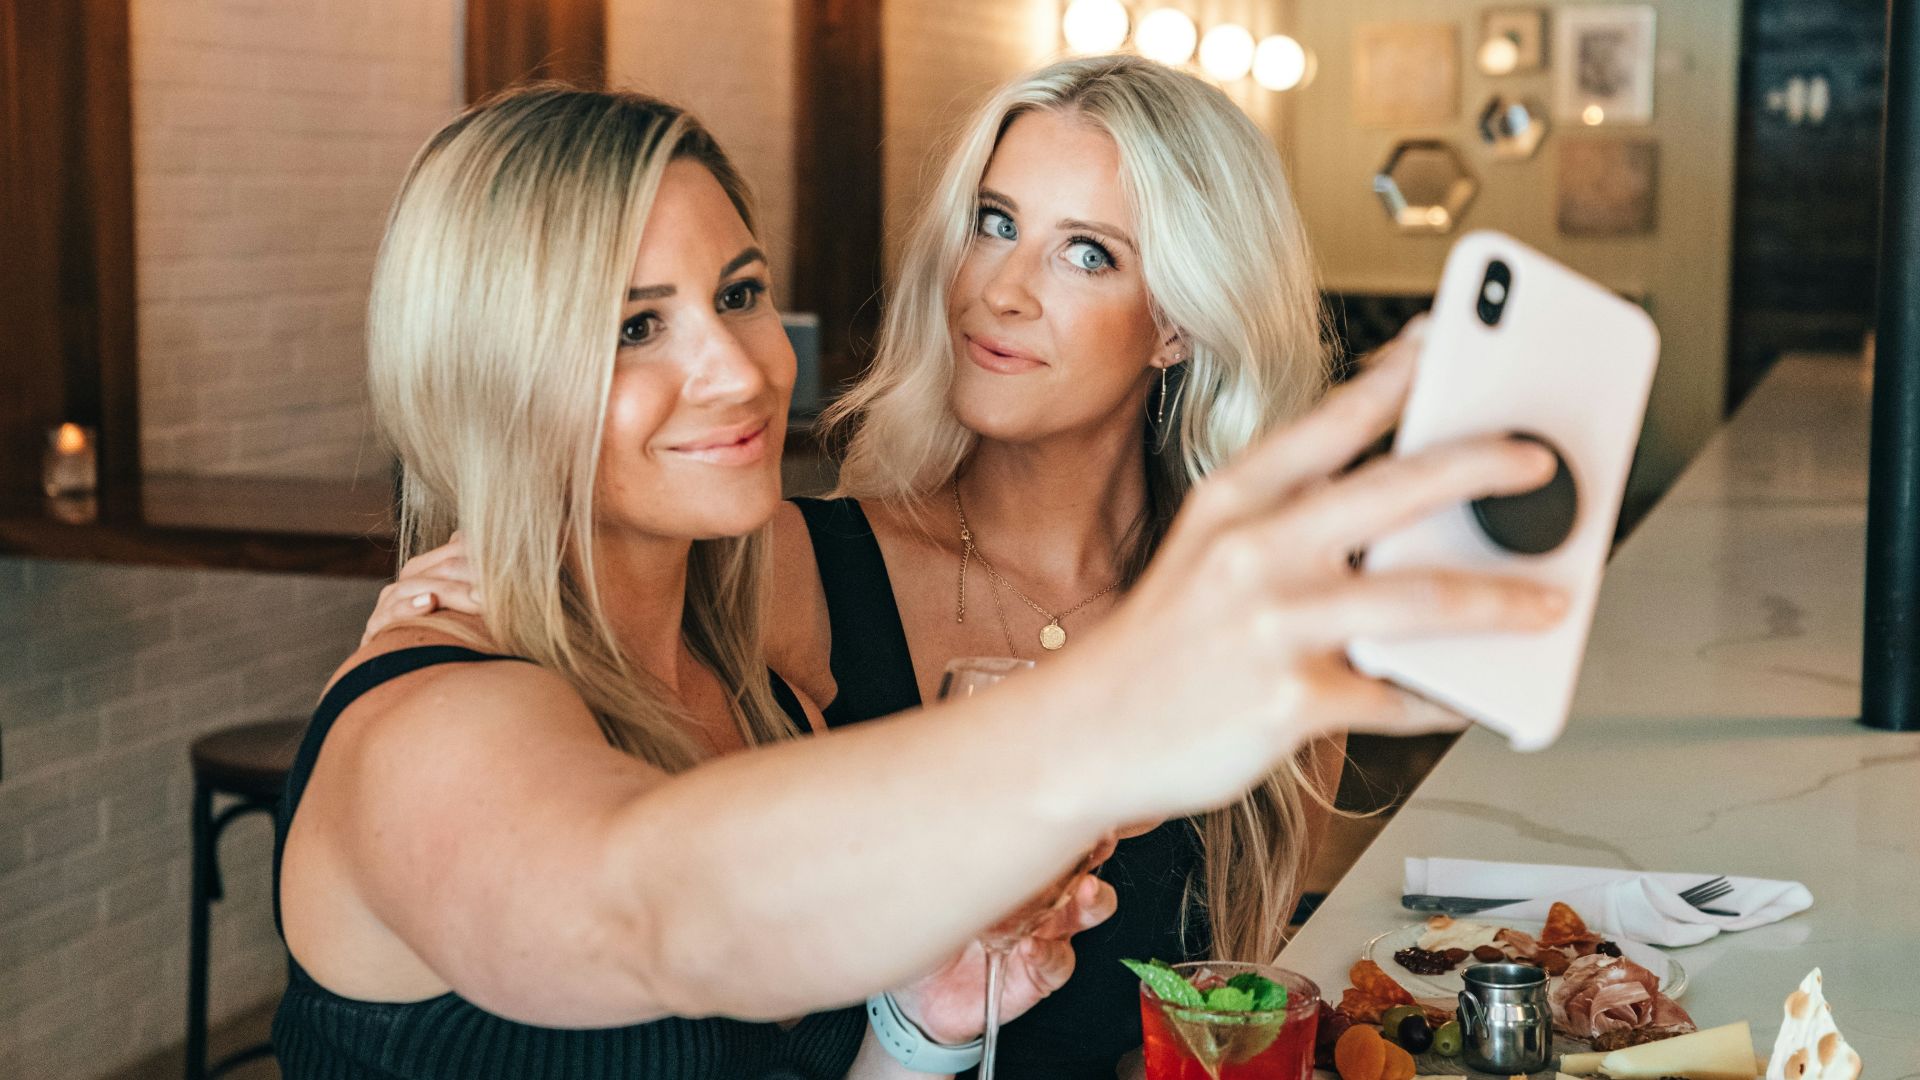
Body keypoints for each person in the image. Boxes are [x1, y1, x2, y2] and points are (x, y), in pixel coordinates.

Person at [328, 79, 1565, 1080]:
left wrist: (918, 1032)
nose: (743, 372)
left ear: (1182, 320)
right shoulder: (434, 720)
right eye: (633, 325)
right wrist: (1114, 712)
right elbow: (649, 912)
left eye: (741, 295)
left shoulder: (739, 686)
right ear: (485, 367)